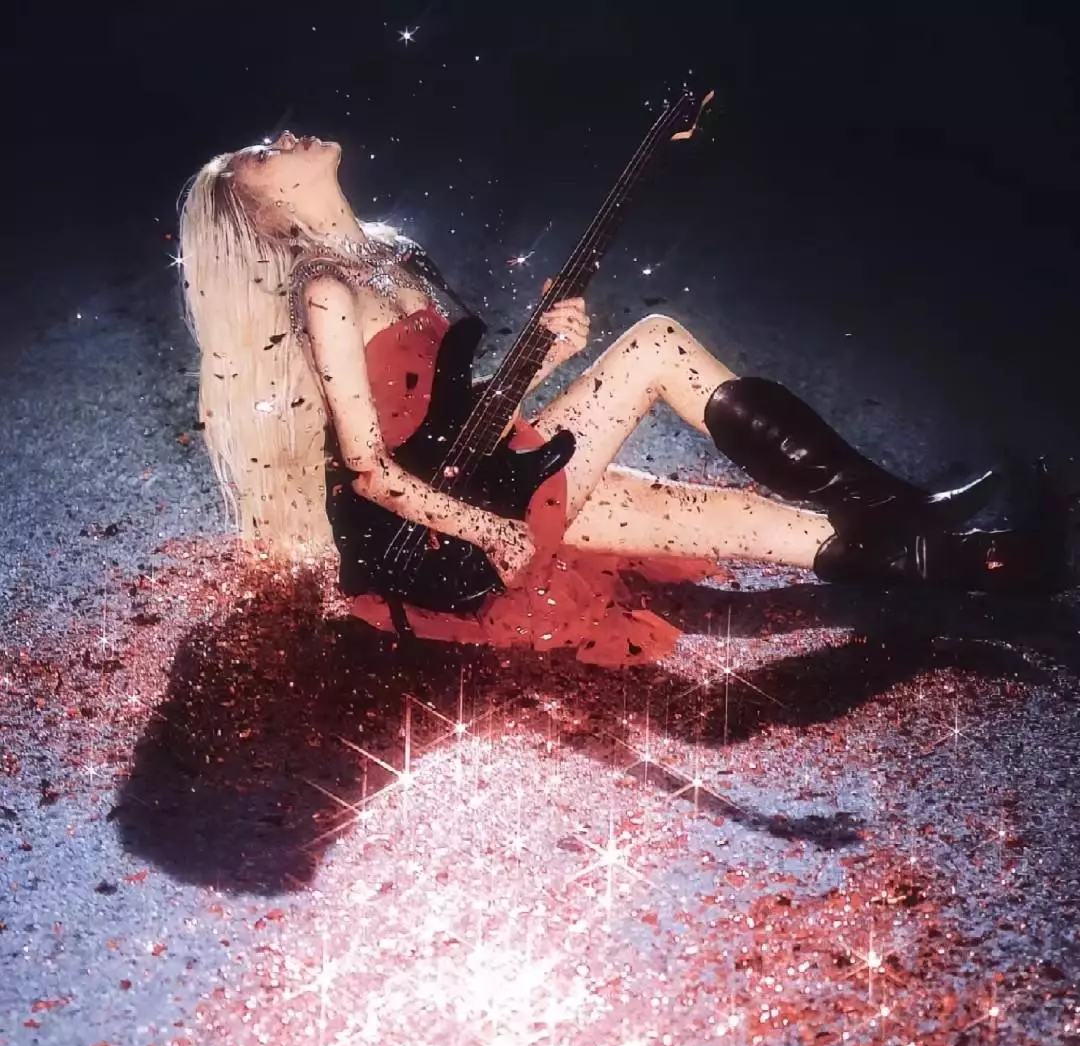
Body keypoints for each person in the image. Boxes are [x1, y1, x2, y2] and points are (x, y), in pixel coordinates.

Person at [177, 131, 1072, 668]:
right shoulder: (327, 291)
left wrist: (545, 353)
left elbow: (444, 410)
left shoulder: (390, 255)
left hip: (492, 471)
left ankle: (1001, 564)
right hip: (451, 528)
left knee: (754, 524)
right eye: (261, 154)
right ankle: (903, 507)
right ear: (263, 215)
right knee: (655, 346)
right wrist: (491, 532)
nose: (284, 137)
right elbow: (371, 468)